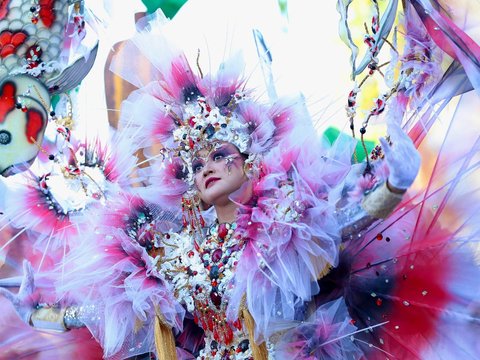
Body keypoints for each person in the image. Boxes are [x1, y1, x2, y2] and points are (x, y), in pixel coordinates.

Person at [2, 0, 480, 359]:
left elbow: (340, 225)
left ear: (249, 158)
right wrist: (46, 314)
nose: (205, 166)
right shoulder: (176, 250)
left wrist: (392, 187)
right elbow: (117, 312)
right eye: (193, 166)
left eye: (219, 154)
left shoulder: (284, 221)